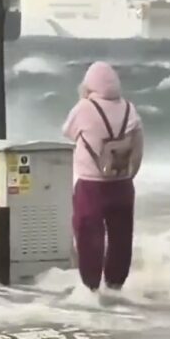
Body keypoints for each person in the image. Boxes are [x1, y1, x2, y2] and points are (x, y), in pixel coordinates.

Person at [61, 61, 144, 292]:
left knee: (89, 236)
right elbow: (138, 146)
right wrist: (131, 174)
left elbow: (67, 131)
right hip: (123, 185)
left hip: (91, 185)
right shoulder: (129, 108)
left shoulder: (84, 108)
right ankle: (115, 286)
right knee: (121, 238)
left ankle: (91, 289)